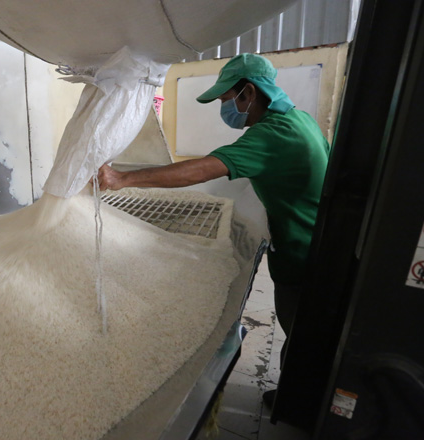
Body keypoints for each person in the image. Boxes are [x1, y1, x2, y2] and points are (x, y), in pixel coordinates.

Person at [97, 53, 330, 406]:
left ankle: (301, 405)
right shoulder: (300, 120)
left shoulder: (273, 135)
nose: (226, 108)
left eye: (227, 99)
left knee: (303, 335)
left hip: (303, 252)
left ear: (248, 93)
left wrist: (121, 178)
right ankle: (299, 397)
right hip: (317, 241)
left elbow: (202, 170)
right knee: (307, 335)